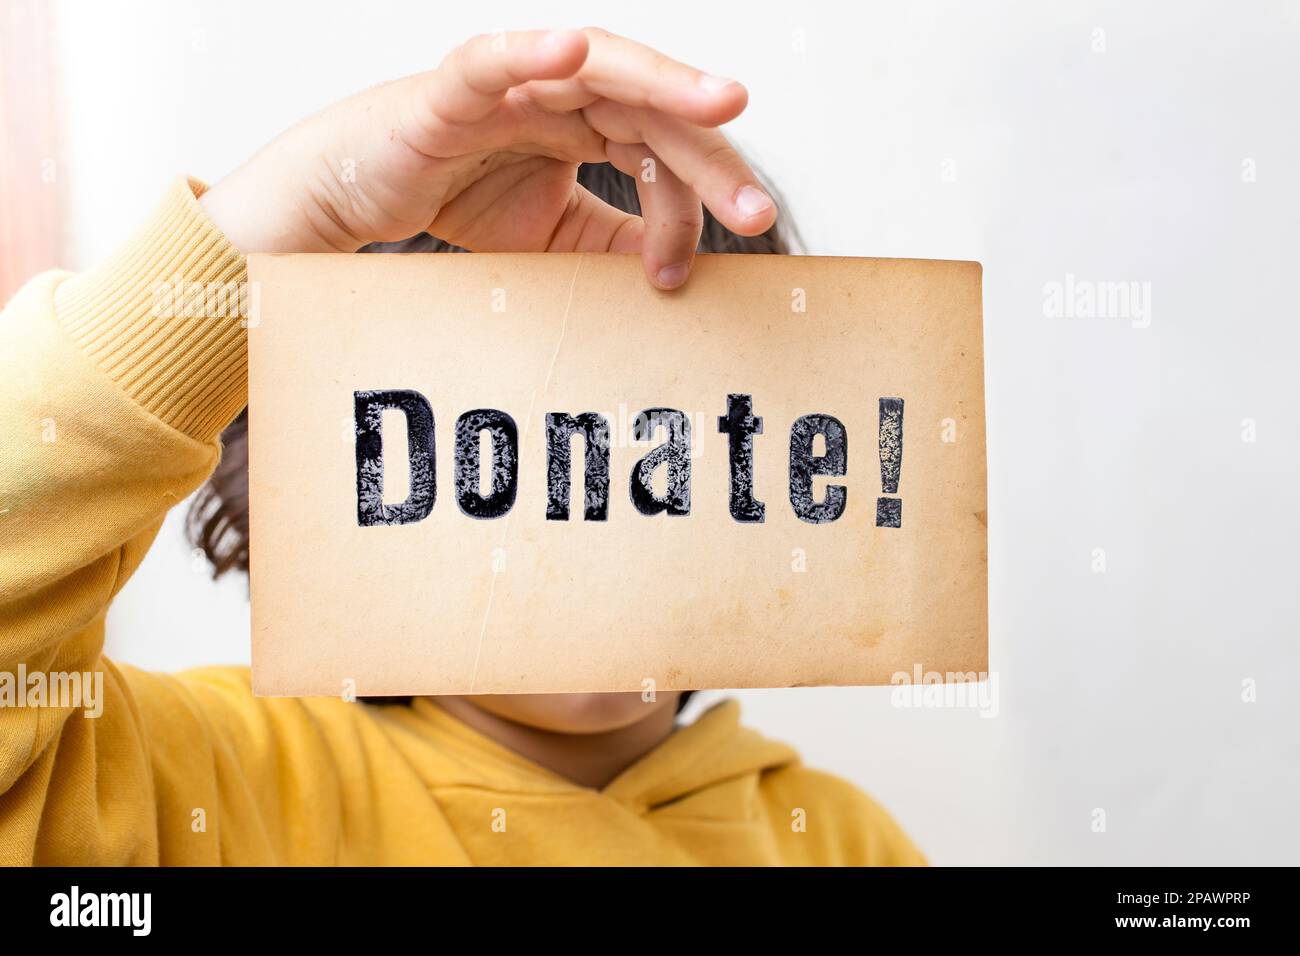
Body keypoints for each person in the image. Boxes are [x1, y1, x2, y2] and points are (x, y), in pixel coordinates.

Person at [0, 27, 924, 865]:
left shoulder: (849, 844)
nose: (596, 494)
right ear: (340, 478)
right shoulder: (199, 778)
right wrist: (303, 209)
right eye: (504, 436)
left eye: (681, 430)